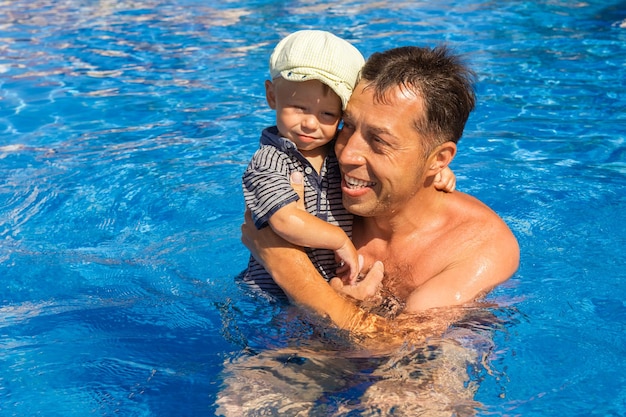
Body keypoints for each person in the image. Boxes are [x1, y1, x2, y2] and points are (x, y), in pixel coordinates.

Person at [241, 44, 520, 339]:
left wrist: (286, 264)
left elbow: (393, 347)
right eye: (346, 126)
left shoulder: (476, 249)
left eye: (379, 141)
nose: (347, 154)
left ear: (438, 159)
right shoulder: (319, 189)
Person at [240, 31, 457, 299]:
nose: (310, 123)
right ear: (272, 96)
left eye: (328, 114)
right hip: (268, 295)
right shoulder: (269, 162)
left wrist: (428, 165)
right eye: (298, 108)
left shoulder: (335, 153)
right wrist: (339, 239)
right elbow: (285, 220)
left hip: (320, 289)